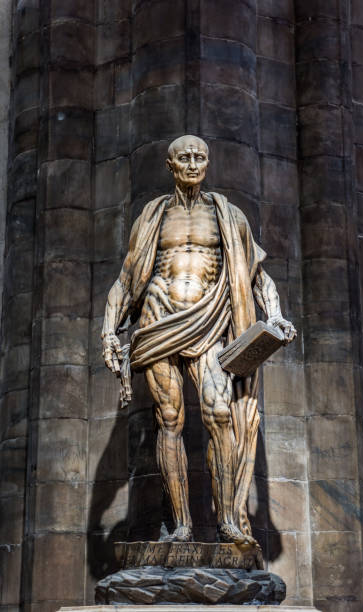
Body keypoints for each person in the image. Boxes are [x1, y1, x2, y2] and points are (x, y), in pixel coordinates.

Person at [102, 135, 296, 545]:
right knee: (169, 421)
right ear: (170, 165)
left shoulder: (228, 215)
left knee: (219, 413)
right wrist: (108, 330)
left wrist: (275, 316)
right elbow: (124, 281)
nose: (193, 164)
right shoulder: (153, 216)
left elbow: (257, 278)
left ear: (207, 164)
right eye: (185, 158)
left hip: (209, 319)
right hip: (158, 318)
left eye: (200, 158)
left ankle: (227, 519)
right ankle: (182, 525)